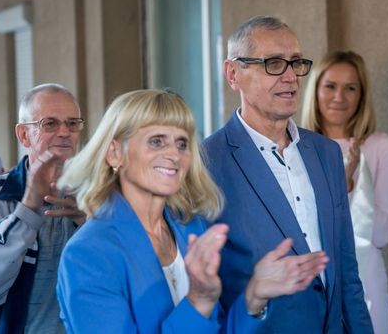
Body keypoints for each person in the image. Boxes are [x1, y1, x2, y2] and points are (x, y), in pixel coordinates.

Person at [56, 89, 328, 333]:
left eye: (182, 143)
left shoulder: (190, 227)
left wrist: (255, 294)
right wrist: (198, 301)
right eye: (157, 141)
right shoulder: (87, 254)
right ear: (114, 153)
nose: (174, 154)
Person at [202, 16, 374, 333]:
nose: (291, 77)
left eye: (296, 63)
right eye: (274, 64)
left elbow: (347, 271)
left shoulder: (326, 153)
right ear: (233, 74)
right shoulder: (206, 163)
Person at [301, 50, 388, 334]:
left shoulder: (382, 147)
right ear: (315, 90)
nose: (339, 97)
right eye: (330, 86)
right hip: (309, 286)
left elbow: (383, 234)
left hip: (365, 282)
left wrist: (351, 186)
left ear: (362, 95)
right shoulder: (297, 148)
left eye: (350, 88)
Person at [0, 83, 86, 333]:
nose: (64, 132)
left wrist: (90, 222)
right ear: (24, 135)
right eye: (50, 124)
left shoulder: (99, 194)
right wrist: (28, 207)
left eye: (72, 123)